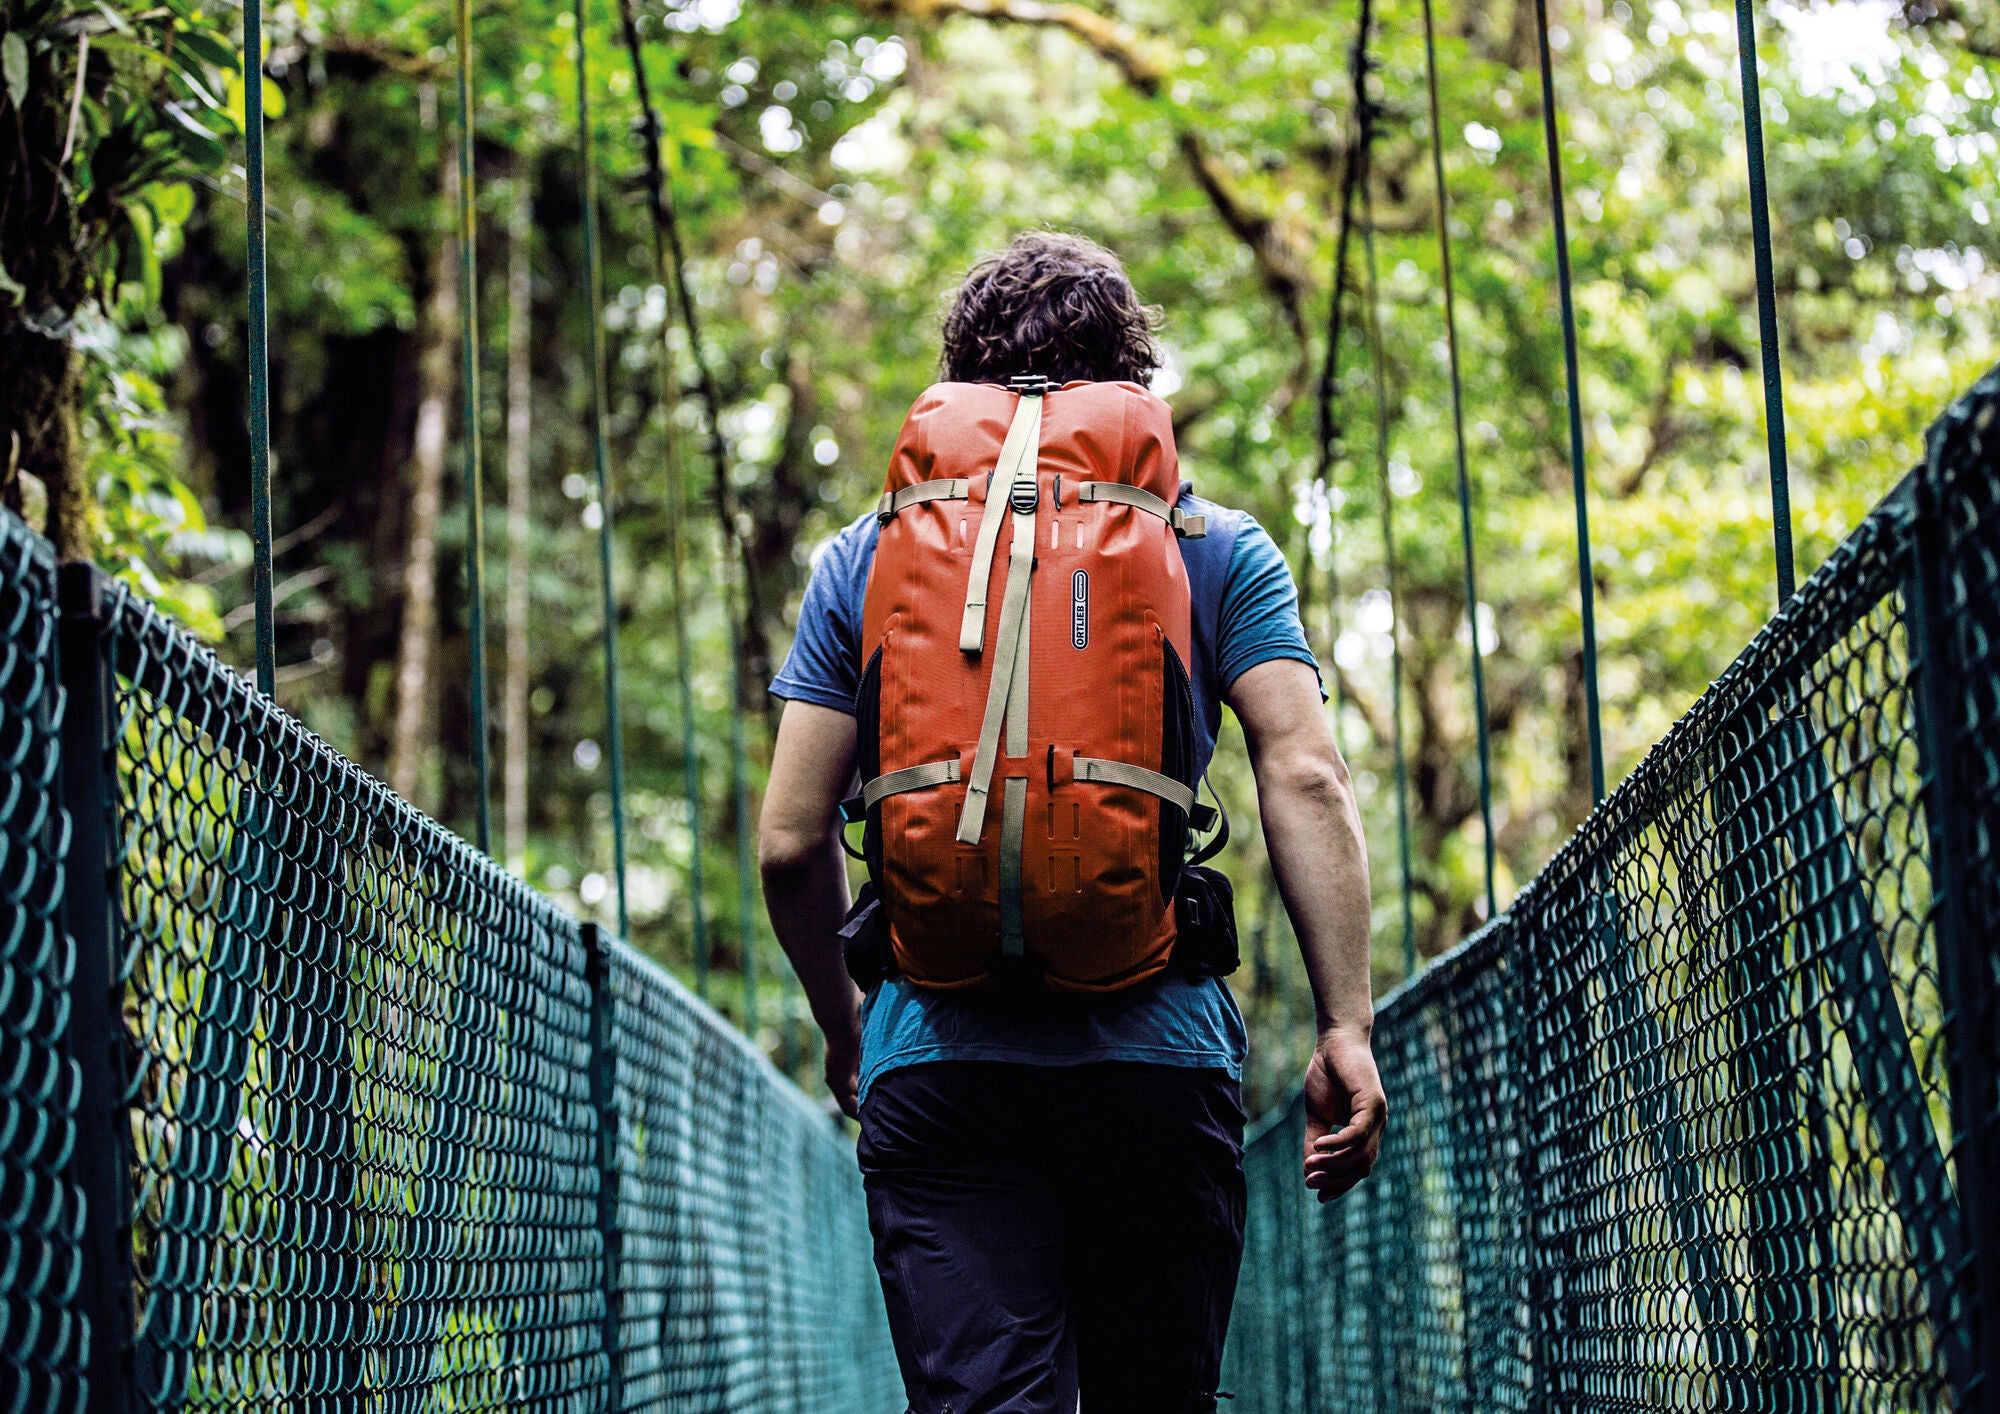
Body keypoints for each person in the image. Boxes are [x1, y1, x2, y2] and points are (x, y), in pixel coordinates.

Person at [758, 231, 1384, 1414]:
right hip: (1155, 1063)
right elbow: (1303, 776)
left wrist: (847, 1026)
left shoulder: (865, 555)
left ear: (960, 379)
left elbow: (789, 841)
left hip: (939, 1070)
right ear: (1129, 381)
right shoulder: (1216, 549)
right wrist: (1343, 1022)